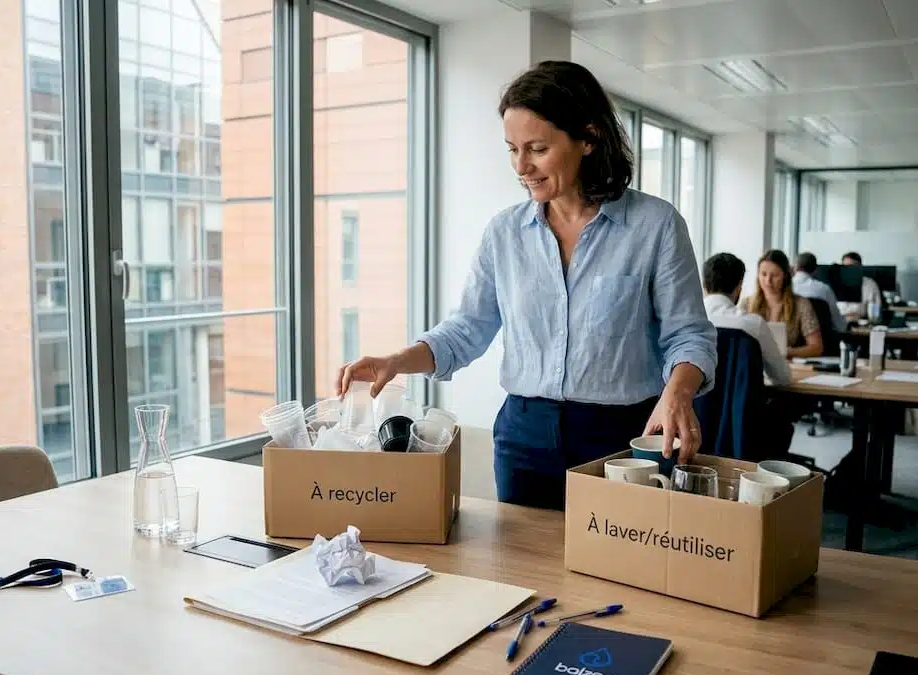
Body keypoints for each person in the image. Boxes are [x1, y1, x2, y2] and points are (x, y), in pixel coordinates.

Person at [335, 61, 717, 510]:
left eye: (537, 148)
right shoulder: (505, 233)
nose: (522, 166)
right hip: (524, 435)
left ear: (588, 139)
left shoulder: (655, 225)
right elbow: (467, 329)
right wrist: (397, 360)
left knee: (616, 572)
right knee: (524, 570)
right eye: (512, 149)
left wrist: (679, 392)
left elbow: (688, 334)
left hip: (621, 437)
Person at [701, 253, 791, 385]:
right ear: (739, 286)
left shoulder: (684, 322)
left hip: (690, 404)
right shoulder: (753, 325)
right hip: (739, 404)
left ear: (703, 284)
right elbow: (783, 378)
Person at [742, 250, 824, 359]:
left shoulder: (801, 304)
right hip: (752, 363)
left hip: (786, 365)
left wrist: (787, 352)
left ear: (785, 276)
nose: (768, 281)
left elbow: (816, 347)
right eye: (763, 274)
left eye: (774, 275)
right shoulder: (746, 303)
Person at [791, 252, 847, 332]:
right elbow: (839, 324)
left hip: (791, 341)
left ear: (794, 268)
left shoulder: (785, 288)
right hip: (822, 341)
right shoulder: (824, 289)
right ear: (815, 270)